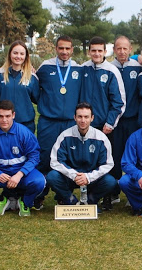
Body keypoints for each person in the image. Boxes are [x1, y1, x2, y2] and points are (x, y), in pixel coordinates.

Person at [0, 100, 45, 217]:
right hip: (0, 174)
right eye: (1, 116)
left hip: (20, 174)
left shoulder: (24, 132)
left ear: (13, 115)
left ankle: (25, 202)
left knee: (39, 181)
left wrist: (20, 174)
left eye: (7, 116)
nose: (4, 120)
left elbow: (34, 157)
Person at [34, 35, 83, 209]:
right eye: (61, 48)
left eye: (67, 48)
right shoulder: (45, 67)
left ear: (72, 50)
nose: (64, 51)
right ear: (56, 48)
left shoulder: (78, 70)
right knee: (45, 158)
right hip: (49, 122)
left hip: (70, 122)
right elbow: (34, 86)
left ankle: (63, 195)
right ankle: (40, 194)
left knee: (67, 159)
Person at [80, 36, 126, 210]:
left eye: (100, 50)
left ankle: (109, 195)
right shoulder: (83, 69)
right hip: (85, 126)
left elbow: (119, 102)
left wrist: (110, 123)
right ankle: (89, 195)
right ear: (89, 51)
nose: (97, 53)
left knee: (107, 162)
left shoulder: (111, 71)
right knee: (88, 162)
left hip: (105, 128)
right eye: (93, 50)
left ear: (105, 52)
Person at [46, 103, 118, 209]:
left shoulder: (101, 138)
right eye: (79, 117)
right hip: (71, 177)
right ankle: (70, 200)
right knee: (52, 176)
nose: (83, 120)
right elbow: (55, 161)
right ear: (74, 117)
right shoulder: (65, 135)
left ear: (92, 118)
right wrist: (74, 175)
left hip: (91, 178)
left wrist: (88, 177)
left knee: (110, 181)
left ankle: (91, 200)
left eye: (86, 117)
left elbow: (108, 164)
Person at [111, 36, 142, 204]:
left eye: (125, 48)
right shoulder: (109, 68)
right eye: (119, 48)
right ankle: (114, 191)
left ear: (130, 49)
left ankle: (134, 192)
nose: (122, 51)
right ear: (114, 50)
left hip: (133, 121)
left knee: (134, 157)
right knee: (115, 155)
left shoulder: (138, 68)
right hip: (116, 122)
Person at [0, 40, 39, 132]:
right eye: (15, 53)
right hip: (3, 125)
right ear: (10, 54)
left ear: (26, 56)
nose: (18, 56)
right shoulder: (0, 75)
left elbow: (39, 99)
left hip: (25, 125)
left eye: (22, 54)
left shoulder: (32, 77)